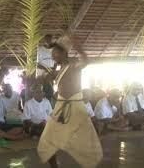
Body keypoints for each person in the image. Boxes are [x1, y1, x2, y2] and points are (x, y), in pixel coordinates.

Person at [37, 35, 103, 168]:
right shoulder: (57, 71)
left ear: (63, 53)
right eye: (52, 53)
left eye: (55, 52)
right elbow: (44, 79)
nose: (53, 55)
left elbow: (85, 61)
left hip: (75, 107)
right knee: (47, 141)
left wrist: (77, 45)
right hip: (61, 108)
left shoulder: (74, 66)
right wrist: (42, 73)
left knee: (85, 142)